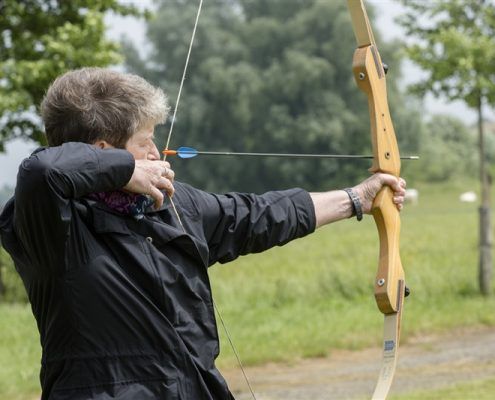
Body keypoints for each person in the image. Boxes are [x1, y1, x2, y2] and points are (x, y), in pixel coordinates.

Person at [0, 68, 406, 400]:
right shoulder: (52, 224)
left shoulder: (170, 206)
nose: (157, 154)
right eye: (145, 143)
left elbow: (257, 216)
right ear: (105, 150)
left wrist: (358, 198)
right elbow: (42, 171)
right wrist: (126, 168)